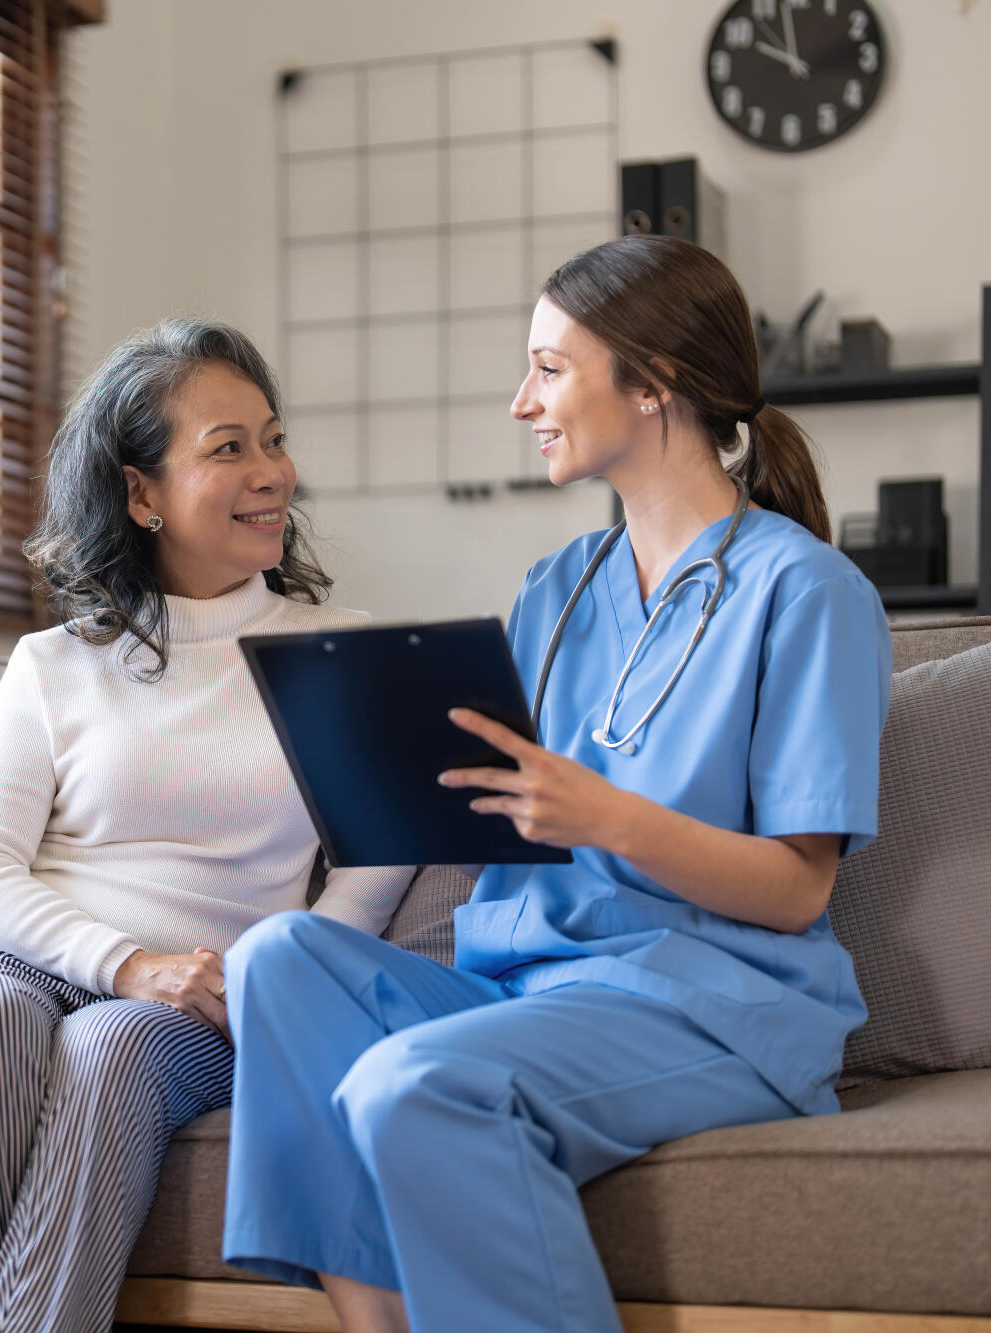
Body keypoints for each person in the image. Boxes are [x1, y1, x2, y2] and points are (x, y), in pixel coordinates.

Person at [221, 234, 892, 1333]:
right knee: (277, 958)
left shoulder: (806, 592)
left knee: (415, 1084)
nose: (519, 400)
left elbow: (794, 891)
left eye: (547, 366)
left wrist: (602, 815)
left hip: (710, 1004)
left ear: (651, 384)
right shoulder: (553, 588)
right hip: (522, 988)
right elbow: (501, 813)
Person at [0, 318, 414, 1333]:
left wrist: (253, 981)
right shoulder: (55, 662)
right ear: (140, 493)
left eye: (272, 438)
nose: (270, 472)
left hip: (202, 999)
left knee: (111, 1049)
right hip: (18, 960)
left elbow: (371, 869)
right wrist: (124, 961)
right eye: (226, 448)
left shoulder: (337, 657)